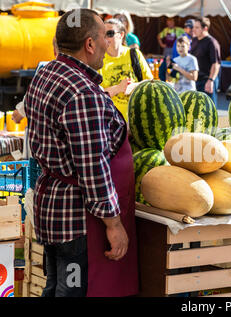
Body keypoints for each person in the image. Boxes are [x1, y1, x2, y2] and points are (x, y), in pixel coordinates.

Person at [24, 9, 138, 297]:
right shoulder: (83, 92)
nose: (108, 43)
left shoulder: (46, 73)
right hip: (77, 219)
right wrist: (114, 224)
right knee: (71, 293)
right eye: (105, 36)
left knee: (55, 289)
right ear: (89, 44)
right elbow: (93, 166)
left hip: (51, 208)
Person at [99, 18, 153, 122]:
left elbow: (151, 83)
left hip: (138, 120)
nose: (106, 38)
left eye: (109, 33)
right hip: (111, 121)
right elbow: (96, 94)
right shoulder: (98, 59)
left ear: (121, 35)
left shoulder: (134, 54)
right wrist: (119, 88)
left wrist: (135, 86)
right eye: (103, 34)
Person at [190, 17, 221, 105]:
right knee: (197, 108)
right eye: (194, 27)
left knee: (209, 107)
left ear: (205, 28)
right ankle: (198, 120)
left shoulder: (212, 42)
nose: (194, 30)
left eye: (197, 27)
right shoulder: (195, 40)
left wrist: (210, 80)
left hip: (207, 80)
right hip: (196, 79)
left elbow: (216, 64)